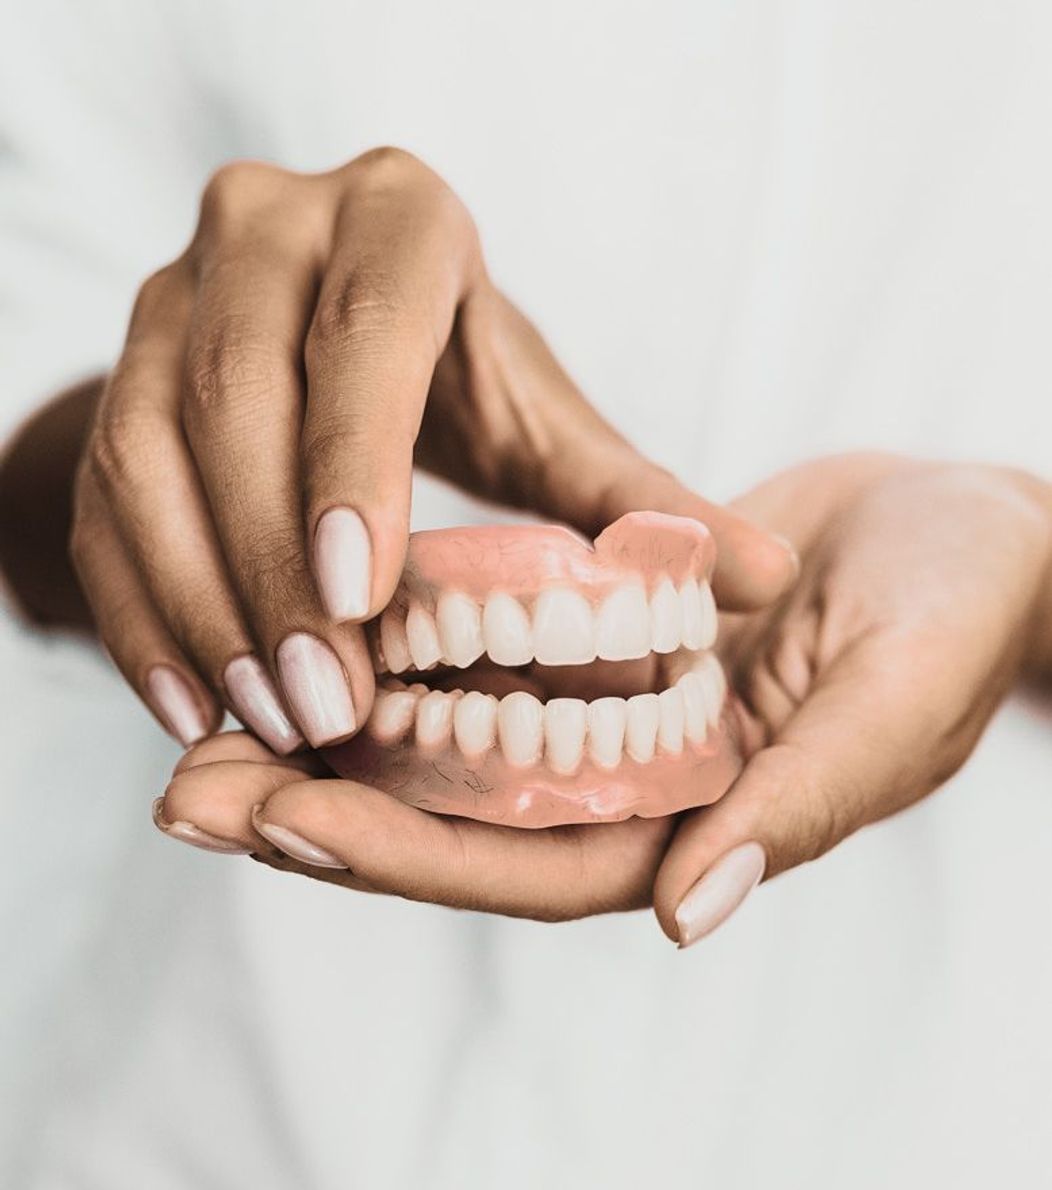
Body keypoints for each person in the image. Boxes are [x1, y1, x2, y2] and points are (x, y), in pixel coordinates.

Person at [2, 3, 1051, 1186]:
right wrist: (184, 455)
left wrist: (1027, 563)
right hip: (204, 1109)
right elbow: (27, 348)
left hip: (920, 1119)